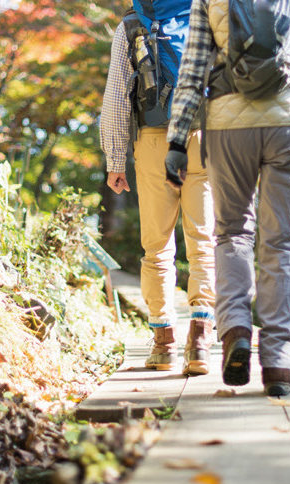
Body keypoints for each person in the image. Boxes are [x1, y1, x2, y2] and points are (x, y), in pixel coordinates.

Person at [165, 0, 290, 395]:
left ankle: (235, 331)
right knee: (283, 243)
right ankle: (279, 365)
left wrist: (178, 140)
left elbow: (193, 70)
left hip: (228, 125)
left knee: (232, 232)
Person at [100, 3, 216, 376]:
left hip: (152, 141)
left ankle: (163, 341)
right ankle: (199, 339)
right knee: (204, 241)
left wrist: (115, 159)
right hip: (202, 137)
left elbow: (117, 97)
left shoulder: (131, 24)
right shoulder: (208, 14)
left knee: (157, 245)